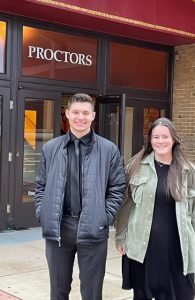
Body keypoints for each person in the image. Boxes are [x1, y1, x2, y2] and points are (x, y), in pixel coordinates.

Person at [35, 93, 126, 300]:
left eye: (85, 113)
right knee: (58, 291)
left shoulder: (108, 149)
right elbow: (41, 184)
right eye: (75, 112)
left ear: (93, 115)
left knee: (92, 293)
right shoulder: (51, 148)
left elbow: (118, 187)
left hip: (93, 227)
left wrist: (104, 217)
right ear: (67, 114)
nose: (80, 117)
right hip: (58, 228)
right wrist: (43, 213)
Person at [115, 117, 195, 300]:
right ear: (150, 140)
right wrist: (121, 237)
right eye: (156, 137)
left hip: (177, 251)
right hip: (144, 251)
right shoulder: (135, 167)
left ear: (174, 139)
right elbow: (126, 206)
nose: (160, 141)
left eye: (165, 137)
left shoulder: (188, 172)